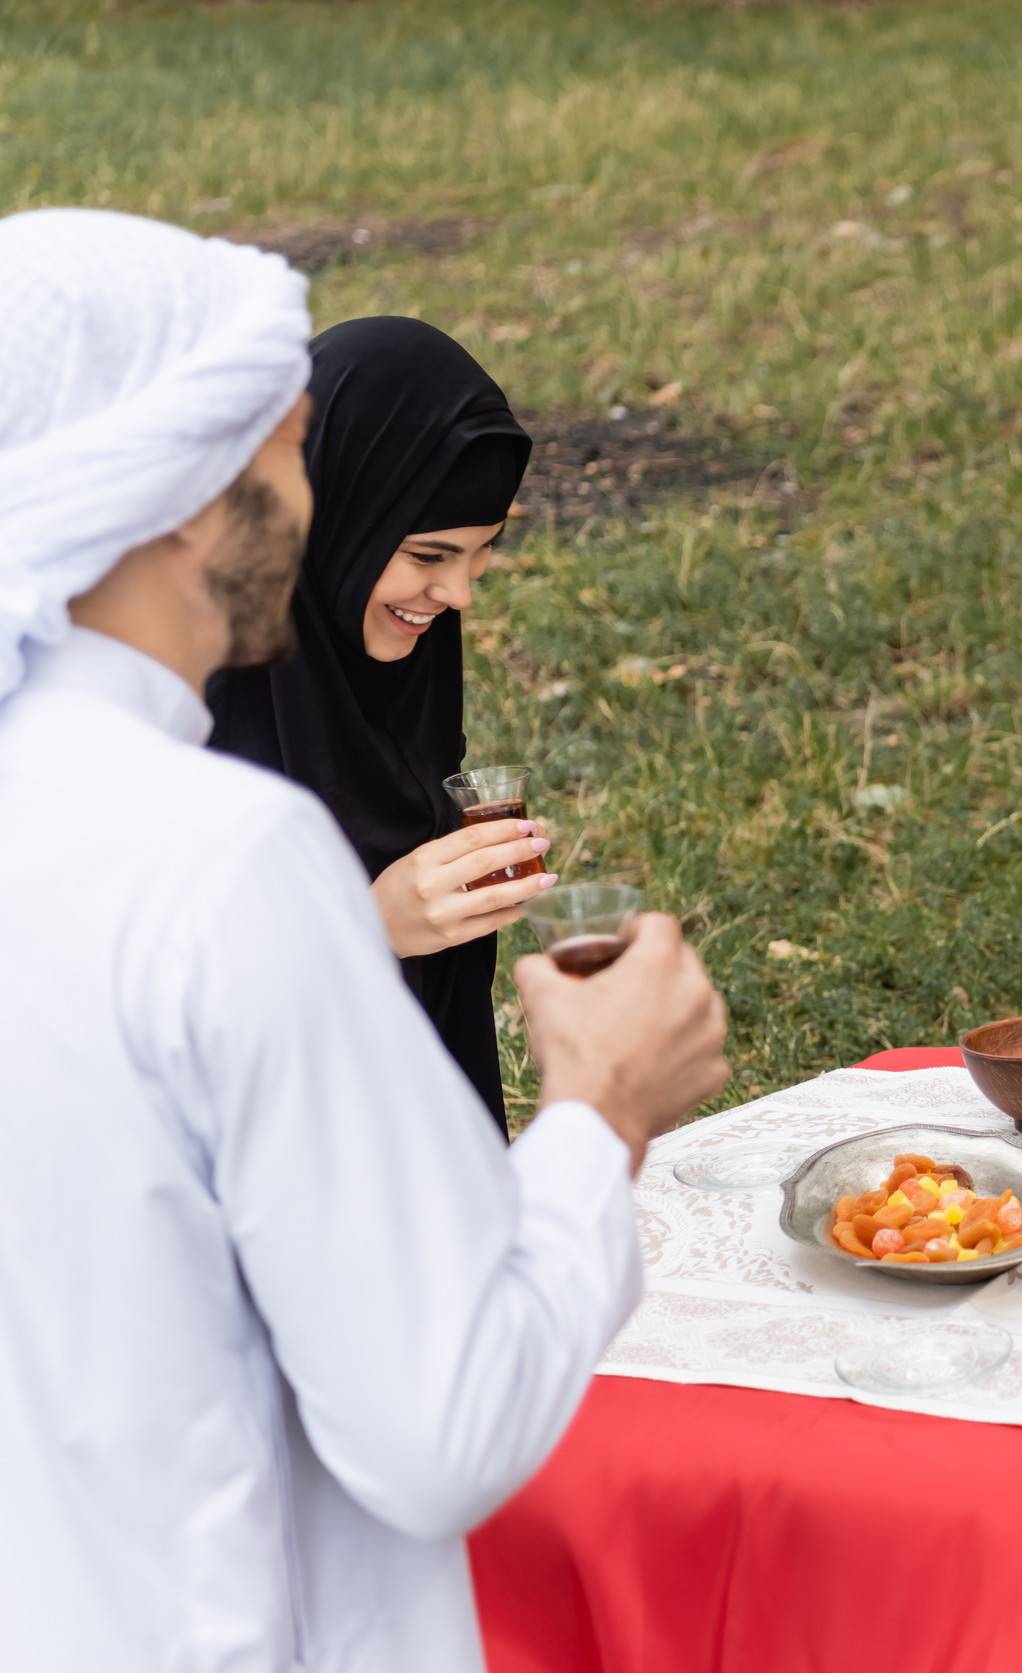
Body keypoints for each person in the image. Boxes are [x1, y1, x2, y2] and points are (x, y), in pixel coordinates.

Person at [0, 208, 730, 1671]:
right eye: (278, 447)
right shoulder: (224, 863)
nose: (300, 488)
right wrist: (598, 1115)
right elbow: (436, 1427)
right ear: (183, 489)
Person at [210, 315, 545, 1133]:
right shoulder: (198, 698)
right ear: (335, 522)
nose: (461, 594)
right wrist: (367, 927)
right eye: (429, 556)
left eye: (484, 550)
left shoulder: (392, 660)